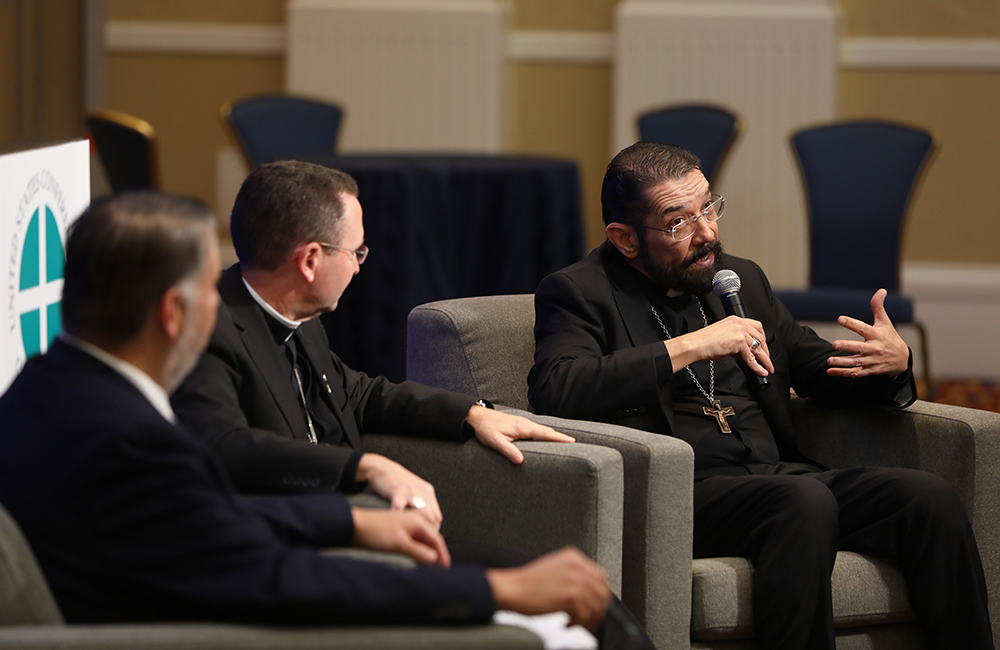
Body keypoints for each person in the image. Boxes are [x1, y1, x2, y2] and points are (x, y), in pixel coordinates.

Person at [0, 191, 613, 630]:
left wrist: (350, 523)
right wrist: (496, 591)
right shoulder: (130, 440)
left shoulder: (39, 393)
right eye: (207, 290)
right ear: (173, 313)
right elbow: (271, 576)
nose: (220, 303)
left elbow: (205, 521)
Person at [527, 141, 993, 649]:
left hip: (777, 478)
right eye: (679, 222)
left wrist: (891, 366)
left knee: (928, 498)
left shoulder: (740, 279)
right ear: (625, 238)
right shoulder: (579, 291)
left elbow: (817, 369)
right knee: (803, 499)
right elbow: (558, 387)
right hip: (682, 491)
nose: (707, 233)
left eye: (708, 207)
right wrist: (689, 346)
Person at [171, 160, 573, 529]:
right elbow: (226, 445)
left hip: (350, 524)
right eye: (355, 251)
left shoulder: (300, 316)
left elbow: (357, 393)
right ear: (310, 260)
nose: (360, 265)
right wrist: (363, 467)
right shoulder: (206, 330)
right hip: (286, 538)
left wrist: (471, 412)